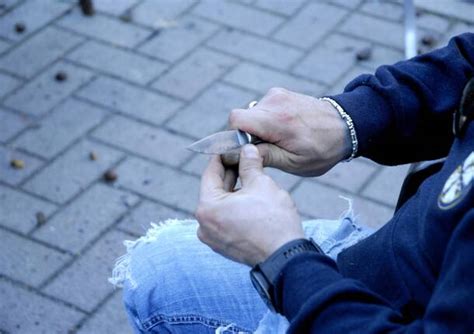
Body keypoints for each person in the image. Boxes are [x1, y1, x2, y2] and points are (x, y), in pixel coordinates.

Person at [110, 33, 474, 333]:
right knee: (159, 265)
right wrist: (352, 117)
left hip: (374, 316)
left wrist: (284, 261)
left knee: (157, 281)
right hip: (400, 254)